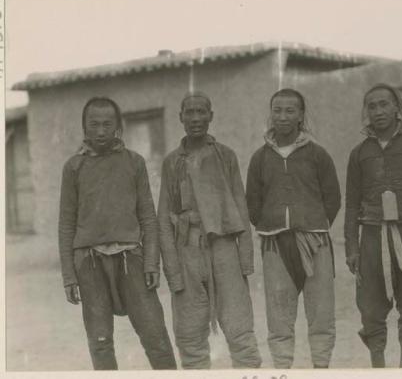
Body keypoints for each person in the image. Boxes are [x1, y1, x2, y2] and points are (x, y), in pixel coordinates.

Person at [58, 97, 176, 370]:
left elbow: (148, 217)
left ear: (118, 128)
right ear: (84, 128)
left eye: (107, 124)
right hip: (89, 264)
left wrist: (150, 262)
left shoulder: (134, 162)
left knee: (155, 335)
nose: (101, 131)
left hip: (131, 260)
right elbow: (66, 224)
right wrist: (68, 276)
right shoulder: (73, 167)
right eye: (94, 124)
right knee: (100, 342)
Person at [157, 91, 261, 369]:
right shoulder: (171, 163)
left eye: (201, 111)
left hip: (224, 249)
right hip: (187, 250)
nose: (195, 118)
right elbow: (163, 221)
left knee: (240, 330)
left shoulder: (225, 156)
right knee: (190, 336)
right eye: (189, 112)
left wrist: (245, 261)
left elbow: (240, 206)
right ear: (180, 118)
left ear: (211, 116)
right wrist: (173, 272)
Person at [344, 83, 402, 368]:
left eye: (384, 104)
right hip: (372, 237)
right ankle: (378, 368)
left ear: (397, 107)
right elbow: (351, 205)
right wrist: (352, 247)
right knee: (371, 307)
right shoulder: (359, 153)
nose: (378, 111)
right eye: (372, 106)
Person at [246, 88, 341, 369]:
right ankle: (282, 369)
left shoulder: (317, 155)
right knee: (279, 316)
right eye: (277, 110)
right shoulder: (260, 158)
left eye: (290, 111)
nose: (283, 116)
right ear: (270, 115)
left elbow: (332, 198)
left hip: (315, 244)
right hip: (275, 245)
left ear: (301, 116)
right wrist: (271, 225)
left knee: (321, 314)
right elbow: (252, 202)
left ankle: (321, 368)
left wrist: (313, 226)